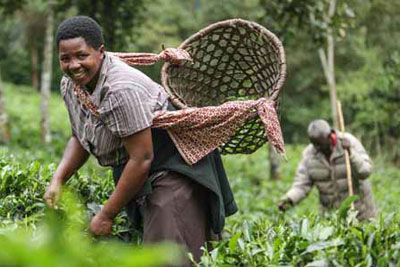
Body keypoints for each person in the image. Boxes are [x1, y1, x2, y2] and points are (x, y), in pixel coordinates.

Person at [43, 16, 237, 265]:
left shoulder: (120, 89)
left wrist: (106, 215)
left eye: (82, 55)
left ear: (100, 52)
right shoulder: (71, 85)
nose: (73, 65)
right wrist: (58, 179)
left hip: (174, 166)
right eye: (65, 59)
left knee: (170, 255)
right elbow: (80, 138)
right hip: (143, 166)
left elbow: (141, 158)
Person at [278, 119, 376, 220]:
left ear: (330, 137)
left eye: (320, 144)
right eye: (314, 144)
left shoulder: (349, 142)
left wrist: (351, 152)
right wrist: (289, 199)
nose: (317, 148)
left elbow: (365, 171)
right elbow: (302, 185)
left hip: (359, 211)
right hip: (333, 216)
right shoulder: (309, 155)